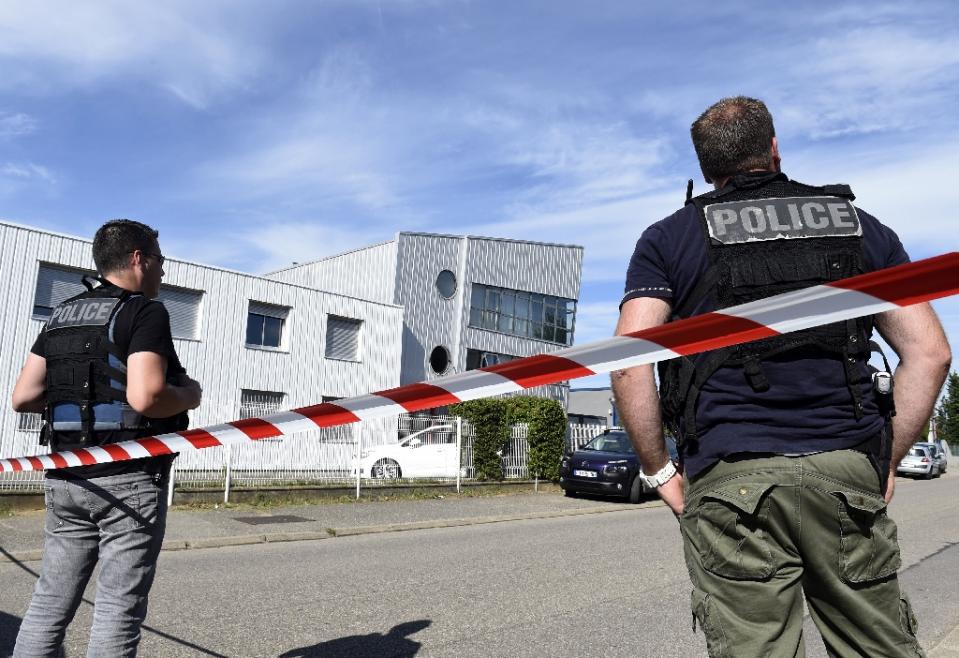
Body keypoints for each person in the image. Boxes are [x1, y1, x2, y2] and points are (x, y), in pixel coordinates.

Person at [612, 97, 951, 657]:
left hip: (730, 477)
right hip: (846, 465)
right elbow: (931, 353)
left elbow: (629, 363)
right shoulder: (857, 227)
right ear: (773, 148)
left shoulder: (669, 238)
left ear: (705, 170)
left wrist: (658, 471)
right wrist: (884, 462)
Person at [11, 219, 202, 657]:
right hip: (128, 477)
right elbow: (147, 395)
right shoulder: (144, 311)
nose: (162, 273)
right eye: (160, 262)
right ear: (139, 259)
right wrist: (190, 393)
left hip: (65, 476)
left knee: (48, 603)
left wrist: (81, 410)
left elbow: (23, 398)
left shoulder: (61, 315)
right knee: (117, 609)